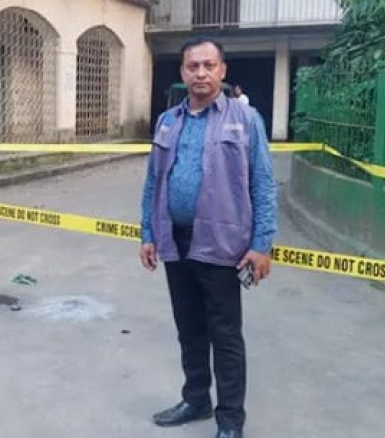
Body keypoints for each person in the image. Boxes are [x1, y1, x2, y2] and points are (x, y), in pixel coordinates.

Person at [139, 36, 276, 438]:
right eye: (192, 66)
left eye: (208, 65)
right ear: (182, 72)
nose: (201, 73)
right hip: (175, 241)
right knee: (189, 329)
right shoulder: (168, 121)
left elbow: (263, 184)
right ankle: (196, 399)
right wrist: (148, 232)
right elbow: (153, 182)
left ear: (222, 70)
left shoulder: (245, 119)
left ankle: (230, 421)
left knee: (225, 336)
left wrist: (261, 245)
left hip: (222, 245)